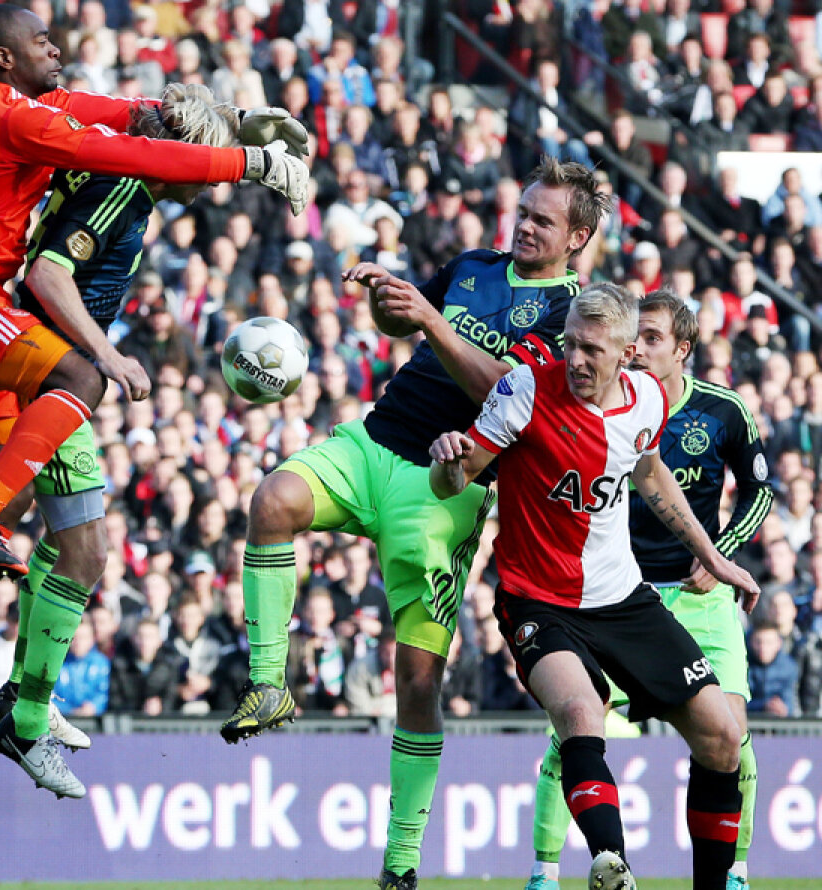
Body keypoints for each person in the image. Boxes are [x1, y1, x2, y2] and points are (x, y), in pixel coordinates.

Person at [0, 3, 308, 740]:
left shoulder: (15, 107)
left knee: (14, 500)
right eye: (41, 41)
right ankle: (27, 705)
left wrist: (234, 120)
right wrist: (250, 165)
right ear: (6, 58)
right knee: (81, 386)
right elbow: (135, 157)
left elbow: (121, 112)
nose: (56, 48)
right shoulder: (21, 123)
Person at [219, 157, 613, 890]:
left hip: (444, 487)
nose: (525, 226)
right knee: (271, 501)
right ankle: (269, 684)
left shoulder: (570, 316)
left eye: (543, 220)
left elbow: (508, 393)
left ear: (578, 237)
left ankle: (400, 865)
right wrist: (388, 300)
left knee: (417, 678)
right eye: (524, 212)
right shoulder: (472, 266)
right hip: (374, 441)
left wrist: (429, 320)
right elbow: (408, 327)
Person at [428, 282, 761, 890]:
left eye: (592, 350)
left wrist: (712, 555)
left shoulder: (645, 400)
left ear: (627, 354)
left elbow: (651, 474)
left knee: (723, 735)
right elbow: (454, 480)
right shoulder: (524, 391)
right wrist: (447, 462)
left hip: (622, 599)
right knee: (582, 712)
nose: (576, 361)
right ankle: (611, 866)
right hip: (536, 599)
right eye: (571, 345)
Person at [0, 81, 247, 797]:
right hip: (45, 370)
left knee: (66, 542)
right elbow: (48, 272)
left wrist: (243, 124)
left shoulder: (128, 179)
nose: (207, 185)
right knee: (88, 552)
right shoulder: (123, 187)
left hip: (46, 367)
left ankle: (23, 696)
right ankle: (25, 719)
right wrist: (107, 354)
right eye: (206, 166)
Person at [523, 289, 773, 890]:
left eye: (653, 339)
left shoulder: (722, 410)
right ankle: (544, 873)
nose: (638, 349)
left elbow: (760, 489)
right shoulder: (603, 404)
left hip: (700, 596)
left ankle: (733, 874)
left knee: (731, 737)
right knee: (575, 730)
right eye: (634, 338)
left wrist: (720, 555)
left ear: (682, 349)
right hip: (620, 595)